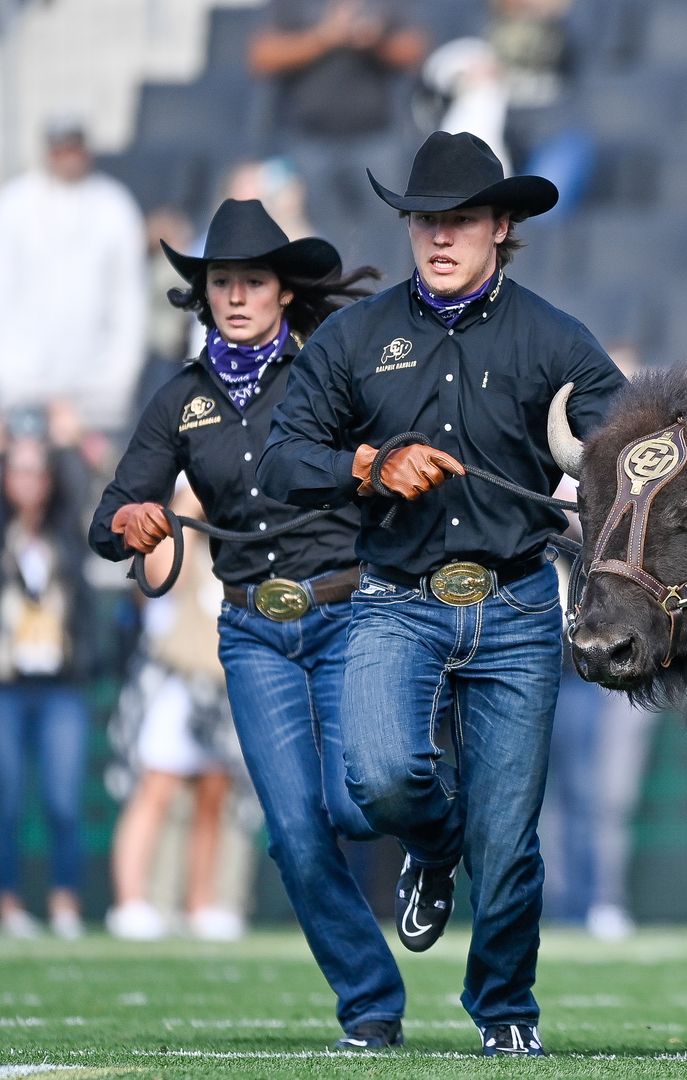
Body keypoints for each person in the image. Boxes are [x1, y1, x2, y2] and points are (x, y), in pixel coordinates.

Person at [258, 131, 628, 1057]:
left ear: (502, 227)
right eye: (426, 220)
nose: (440, 236)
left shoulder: (557, 340)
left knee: (508, 842)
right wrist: (368, 463)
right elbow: (281, 455)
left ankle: (505, 1010)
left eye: (460, 219)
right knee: (379, 780)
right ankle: (430, 845)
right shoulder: (355, 336)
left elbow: (628, 450)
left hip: (515, 606)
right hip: (395, 598)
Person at [89, 198, 407, 1045]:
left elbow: (398, 459)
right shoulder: (179, 402)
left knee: (365, 793)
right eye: (222, 281)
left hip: (347, 614)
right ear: (203, 295)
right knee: (297, 837)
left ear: (282, 291)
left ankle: (435, 842)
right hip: (252, 634)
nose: (236, 295)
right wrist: (130, 522)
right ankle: (370, 1005)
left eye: (252, 281)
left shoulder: (330, 372)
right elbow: (113, 510)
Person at [102, 486, 243, 943]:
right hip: (174, 678)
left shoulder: (233, 534)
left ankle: (200, 904)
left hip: (220, 682)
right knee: (154, 789)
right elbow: (164, 575)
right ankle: (131, 901)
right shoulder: (169, 524)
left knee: (213, 793)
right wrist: (187, 505)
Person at [0, 416, 97, 941]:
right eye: (17, 471)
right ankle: (9, 905)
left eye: (37, 472)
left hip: (61, 683)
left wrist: (62, 441)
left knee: (63, 799)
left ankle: (65, 903)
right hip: (7, 685)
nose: (28, 481)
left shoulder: (62, 531)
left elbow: (78, 486)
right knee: (7, 800)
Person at [0, 119, 147, 435]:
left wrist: (118, 378)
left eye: (74, 146)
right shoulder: (13, 204)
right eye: (60, 147)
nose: (67, 155)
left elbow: (129, 300)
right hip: (21, 386)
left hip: (95, 396)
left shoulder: (115, 205)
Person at [249, 0, 427, 246]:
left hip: (376, 139)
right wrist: (323, 37)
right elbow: (262, 56)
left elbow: (415, 51)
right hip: (308, 141)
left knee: (390, 236)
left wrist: (375, 42)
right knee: (317, 240)